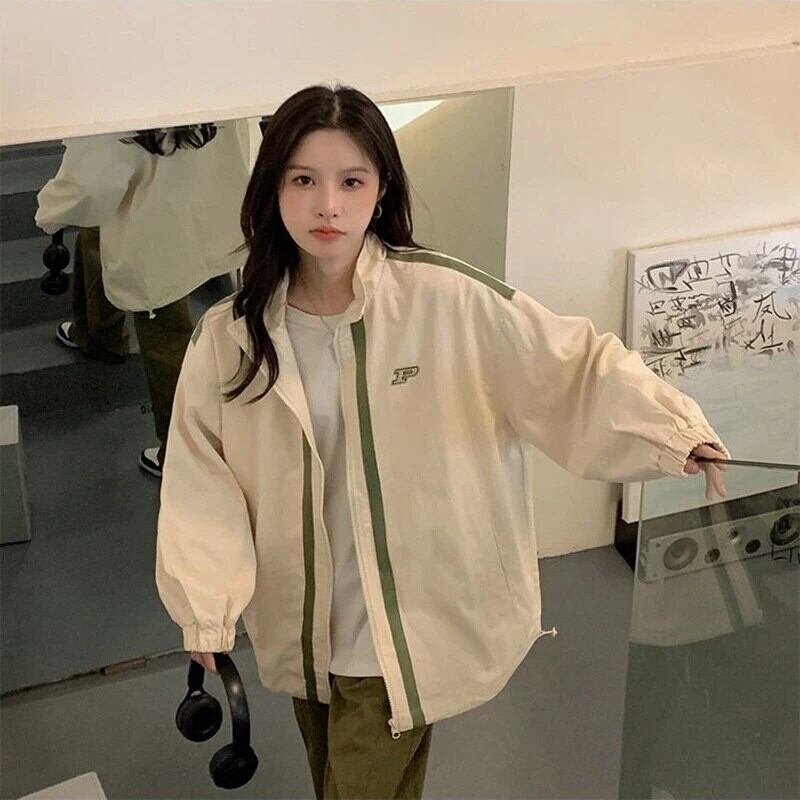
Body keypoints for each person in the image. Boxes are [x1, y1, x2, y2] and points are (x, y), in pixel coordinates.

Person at [155, 83, 730, 800]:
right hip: (304, 624)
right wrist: (206, 605)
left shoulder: (445, 300)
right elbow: (200, 480)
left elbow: (569, 366)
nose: (327, 205)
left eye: (351, 181)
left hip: (403, 626)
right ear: (273, 188)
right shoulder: (231, 337)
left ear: (381, 190)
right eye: (303, 180)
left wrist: (670, 431)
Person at [34, 119, 254, 476]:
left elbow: (89, 188)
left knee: (167, 336)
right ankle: (99, 334)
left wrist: (51, 211)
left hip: (153, 227)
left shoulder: (117, 111)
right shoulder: (215, 90)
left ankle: (180, 457)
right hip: (210, 204)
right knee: (94, 240)